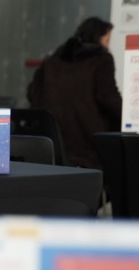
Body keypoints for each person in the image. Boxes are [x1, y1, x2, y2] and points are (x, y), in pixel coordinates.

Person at [27, 16, 122, 170]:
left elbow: (32, 92)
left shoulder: (52, 60)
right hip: (88, 142)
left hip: (50, 141)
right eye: (107, 40)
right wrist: (129, 119)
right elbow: (108, 97)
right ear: (97, 37)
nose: (108, 45)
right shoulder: (101, 60)